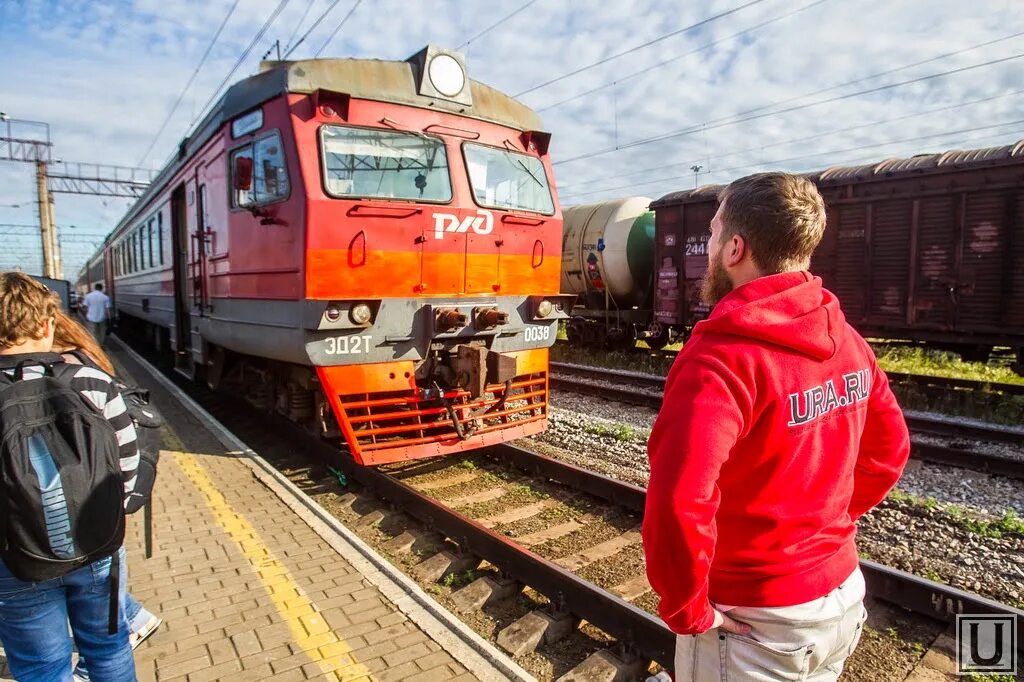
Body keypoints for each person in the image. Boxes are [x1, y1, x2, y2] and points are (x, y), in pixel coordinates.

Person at [643, 173, 910, 681]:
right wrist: (821, 526)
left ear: (735, 249)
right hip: (840, 598)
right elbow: (889, 452)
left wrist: (687, 608)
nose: (709, 245)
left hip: (757, 624)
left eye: (713, 232)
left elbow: (679, 500)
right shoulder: (847, 339)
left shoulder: (720, 360)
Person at [0, 272, 139, 681]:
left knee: (42, 666)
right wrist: (111, 517)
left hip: (15, 558)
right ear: (48, 325)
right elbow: (126, 465)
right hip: (97, 546)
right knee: (108, 648)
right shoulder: (92, 381)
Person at [50, 310, 163, 680]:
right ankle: (134, 617)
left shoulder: (59, 372)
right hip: (96, 523)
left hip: (54, 526)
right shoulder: (87, 361)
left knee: (43, 662)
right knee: (105, 634)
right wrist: (118, 506)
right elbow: (126, 452)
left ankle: (119, 632)